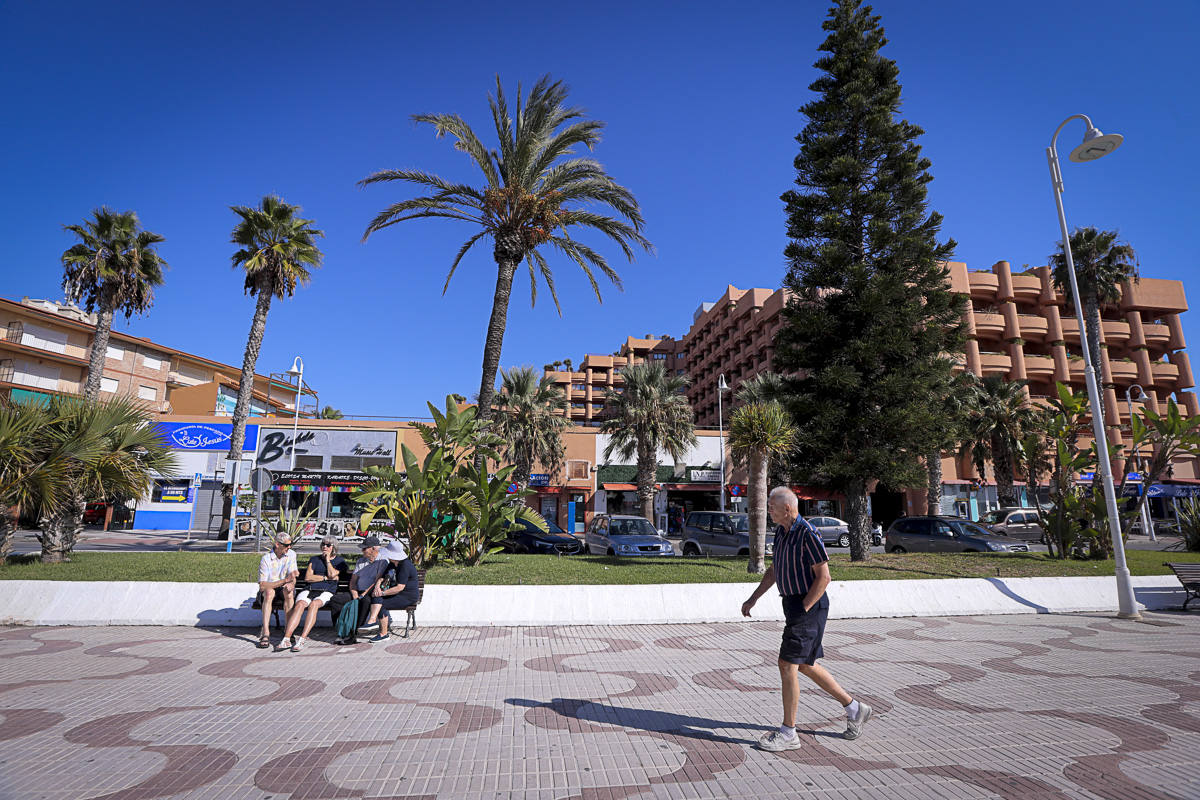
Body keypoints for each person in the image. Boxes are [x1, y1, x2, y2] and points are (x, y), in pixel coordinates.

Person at [741, 486, 873, 751]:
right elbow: (775, 570)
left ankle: (789, 733)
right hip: (794, 605)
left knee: (786, 664)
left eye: (772, 506)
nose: (769, 510)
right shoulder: (781, 532)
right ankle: (855, 708)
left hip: (808, 605)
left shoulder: (807, 534)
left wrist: (804, 608)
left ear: (787, 508)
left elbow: (824, 577)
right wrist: (753, 598)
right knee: (804, 664)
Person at [278, 536, 347, 652]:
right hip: (310, 588)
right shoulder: (314, 559)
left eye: (328, 545)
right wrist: (325, 578)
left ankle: (302, 639)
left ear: (333, 547)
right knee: (300, 604)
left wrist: (328, 560)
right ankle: (286, 638)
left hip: (327, 591)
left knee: (314, 604)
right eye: (323, 544)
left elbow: (332, 574)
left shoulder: (340, 561)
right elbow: (308, 577)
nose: (325, 547)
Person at [328, 535, 387, 645]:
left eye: (365, 548)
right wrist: (355, 594)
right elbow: (353, 581)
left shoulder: (383, 561)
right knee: (336, 599)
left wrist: (362, 595)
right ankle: (340, 630)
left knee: (365, 601)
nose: (362, 550)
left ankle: (354, 633)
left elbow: (378, 580)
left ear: (374, 548)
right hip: (357, 591)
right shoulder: (360, 561)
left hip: (370, 593)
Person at [360, 540, 420, 642]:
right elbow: (382, 577)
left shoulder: (405, 565)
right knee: (376, 597)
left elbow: (400, 587)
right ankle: (372, 621)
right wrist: (377, 586)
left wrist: (382, 593)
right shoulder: (393, 563)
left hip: (407, 596)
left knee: (381, 603)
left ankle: (383, 633)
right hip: (397, 593)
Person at [257, 533, 299, 648]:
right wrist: (285, 580)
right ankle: (266, 632)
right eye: (287, 545)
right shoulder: (266, 559)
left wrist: (291, 583)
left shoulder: (291, 555)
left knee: (289, 592)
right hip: (269, 588)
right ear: (277, 544)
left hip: (283, 588)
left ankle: (288, 630)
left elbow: (292, 576)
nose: (289, 547)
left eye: (291, 544)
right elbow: (262, 586)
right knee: (269, 592)